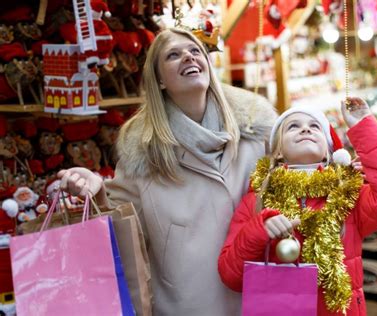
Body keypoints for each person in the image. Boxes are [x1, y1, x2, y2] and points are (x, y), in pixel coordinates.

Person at [57, 28, 277, 315]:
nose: (188, 56)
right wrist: (98, 192)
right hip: (188, 305)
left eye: (195, 50)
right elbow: (126, 233)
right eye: (173, 55)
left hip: (262, 300)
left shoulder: (257, 134)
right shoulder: (144, 155)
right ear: (159, 80)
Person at [218, 97, 377, 315]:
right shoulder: (257, 202)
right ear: (279, 151)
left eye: (314, 127)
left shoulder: (349, 196)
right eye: (294, 126)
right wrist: (259, 231)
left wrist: (363, 125)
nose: (305, 130)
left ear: (328, 152)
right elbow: (231, 275)